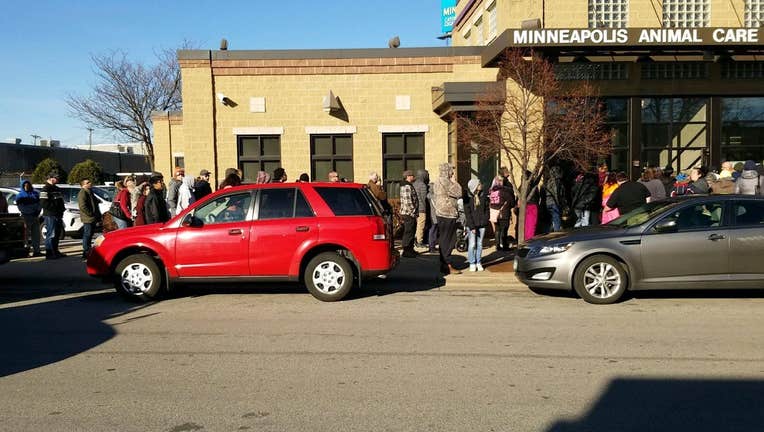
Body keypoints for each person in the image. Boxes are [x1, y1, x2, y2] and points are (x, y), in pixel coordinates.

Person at [432, 163, 462, 275]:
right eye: (451, 170)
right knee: (449, 240)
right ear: (447, 171)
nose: (452, 173)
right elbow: (459, 192)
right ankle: (447, 264)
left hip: (441, 213)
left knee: (444, 239)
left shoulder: (437, 181)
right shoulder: (446, 182)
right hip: (448, 213)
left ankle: (443, 264)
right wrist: (454, 181)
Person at [464, 179, 489, 272]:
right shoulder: (467, 197)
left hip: (482, 224)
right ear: (474, 186)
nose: (481, 185)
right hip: (472, 225)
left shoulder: (483, 195)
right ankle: (472, 262)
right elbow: (468, 213)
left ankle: (478, 261)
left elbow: (487, 209)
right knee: (472, 244)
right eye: (479, 184)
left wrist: (486, 220)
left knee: (480, 244)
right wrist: (472, 227)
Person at [40, 171, 65, 259]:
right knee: (51, 234)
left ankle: (55, 251)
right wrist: (55, 209)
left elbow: (60, 201)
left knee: (57, 234)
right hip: (50, 215)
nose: (57, 179)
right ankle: (49, 253)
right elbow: (43, 203)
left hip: (58, 215)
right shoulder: (45, 189)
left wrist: (62, 210)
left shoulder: (56, 188)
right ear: (51, 178)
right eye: (56, 178)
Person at [77, 178, 101, 259]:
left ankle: (88, 250)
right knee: (87, 235)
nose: (90, 183)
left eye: (90, 182)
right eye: (88, 182)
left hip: (92, 217)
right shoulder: (82, 193)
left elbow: (94, 202)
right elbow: (82, 206)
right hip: (88, 218)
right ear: (83, 185)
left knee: (90, 234)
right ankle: (86, 252)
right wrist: (90, 214)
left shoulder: (90, 191)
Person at [16, 180, 42, 257]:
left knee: (36, 234)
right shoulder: (20, 196)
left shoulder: (35, 194)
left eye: (28, 185)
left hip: (35, 216)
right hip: (26, 217)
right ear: (22, 186)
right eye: (25, 185)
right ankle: (25, 251)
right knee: (25, 235)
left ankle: (36, 251)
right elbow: (21, 207)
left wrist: (37, 211)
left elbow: (39, 204)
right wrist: (30, 211)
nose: (26, 187)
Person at [399, 170, 419, 258]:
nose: (413, 177)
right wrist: (413, 211)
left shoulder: (408, 185)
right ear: (408, 176)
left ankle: (411, 249)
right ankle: (406, 251)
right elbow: (408, 201)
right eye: (412, 175)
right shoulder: (406, 186)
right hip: (408, 213)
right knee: (409, 232)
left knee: (412, 231)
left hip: (409, 213)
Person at [543, 165, 564, 233]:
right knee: (556, 218)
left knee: (551, 219)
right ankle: (557, 233)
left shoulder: (548, 181)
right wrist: (558, 203)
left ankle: (548, 233)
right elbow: (556, 193)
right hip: (554, 202)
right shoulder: (556, 181)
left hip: (548, 202)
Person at [413, 169, 430, 248]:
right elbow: (423, 198)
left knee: (417, 225)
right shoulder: (423, 185)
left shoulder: (414, 184)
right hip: (421, 208)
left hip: (415, 208)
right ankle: (419, 241)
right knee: (421, 225)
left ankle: (416, 239)